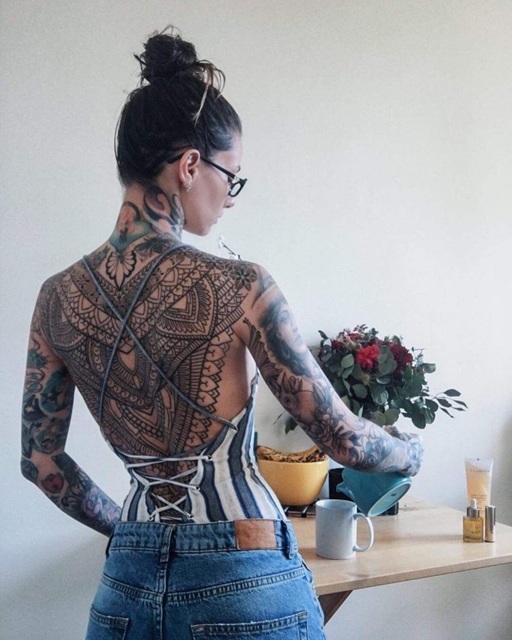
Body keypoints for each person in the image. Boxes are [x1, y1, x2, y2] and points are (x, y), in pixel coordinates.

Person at [21, 27, 423, 639]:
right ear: (190, 166)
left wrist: (129, 533)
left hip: (126, 586)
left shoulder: (57, 298)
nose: (230, 198)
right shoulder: (242, 286)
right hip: (244, 573)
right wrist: (410, 452)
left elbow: (40, 460)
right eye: (230, 176)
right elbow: (342, 438)